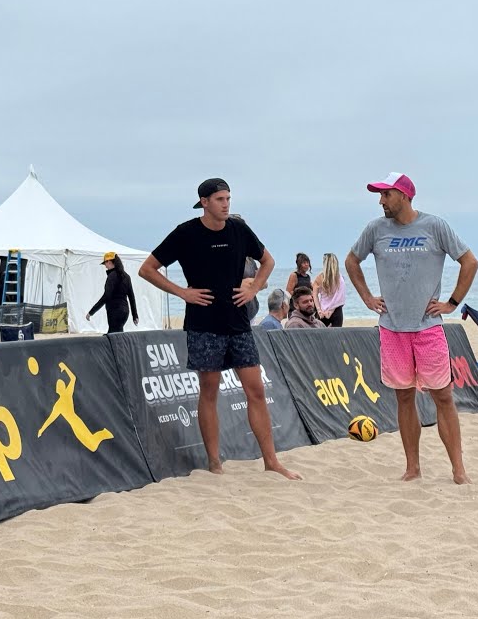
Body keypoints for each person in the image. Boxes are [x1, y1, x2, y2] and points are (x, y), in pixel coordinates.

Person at [139, 177, 300, 480]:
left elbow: (268, 261)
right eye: (220, 199)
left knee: (255, 390)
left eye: (228, 199)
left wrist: (254, 289)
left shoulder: (238, 229)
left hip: (238, 323)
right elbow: (147, 269)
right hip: (203, 324)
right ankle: (215, 463)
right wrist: (182, 292)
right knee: (209, 390)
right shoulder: (186, 233)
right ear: (204, 202)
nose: (226, 205)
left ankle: (271, 462)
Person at [345, 171, 478, 485]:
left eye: (386, 194)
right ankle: (412, 468)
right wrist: (366, 298)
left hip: (428, 327)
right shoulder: (375, 229)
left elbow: (470, 262)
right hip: (392, 328)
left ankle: (458, 470)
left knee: (443, 397)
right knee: (404, 398)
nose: (381, 201)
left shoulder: (435, 226)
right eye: (380, 195)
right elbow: (351, 261)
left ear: (404, 195)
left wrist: (452, 303)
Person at [86, 251, 139, 333]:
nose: (105, 266)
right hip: (125, 312)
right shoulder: (127, 276)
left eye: (105, 263)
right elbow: (131, 297)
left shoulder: (112, 276)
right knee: (117, 334)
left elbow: (106, 296)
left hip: (115, 311)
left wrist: (91, 312)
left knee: (112, 335)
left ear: (109, 262)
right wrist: (135, 315)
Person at [312, 252, 346, 327]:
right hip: (336, 311)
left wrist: (319, 310)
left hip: (322, 311)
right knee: (336, 334)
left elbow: (314, 295)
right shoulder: (340, 278)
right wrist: (331, 310)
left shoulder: (319, 278)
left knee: (321, 333)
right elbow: (340, 297)